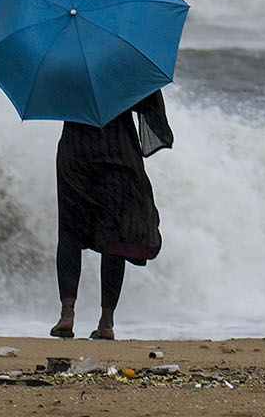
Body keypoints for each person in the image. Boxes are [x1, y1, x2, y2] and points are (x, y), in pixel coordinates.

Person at [49, 89, 173, 340]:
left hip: (76, 151)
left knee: (70, 232)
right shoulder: (123, 65)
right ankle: (106, 322)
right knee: (116, 236)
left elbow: (53, 102)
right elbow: (148, 108)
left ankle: (67, 314)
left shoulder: (65, 62)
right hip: (117, 151)